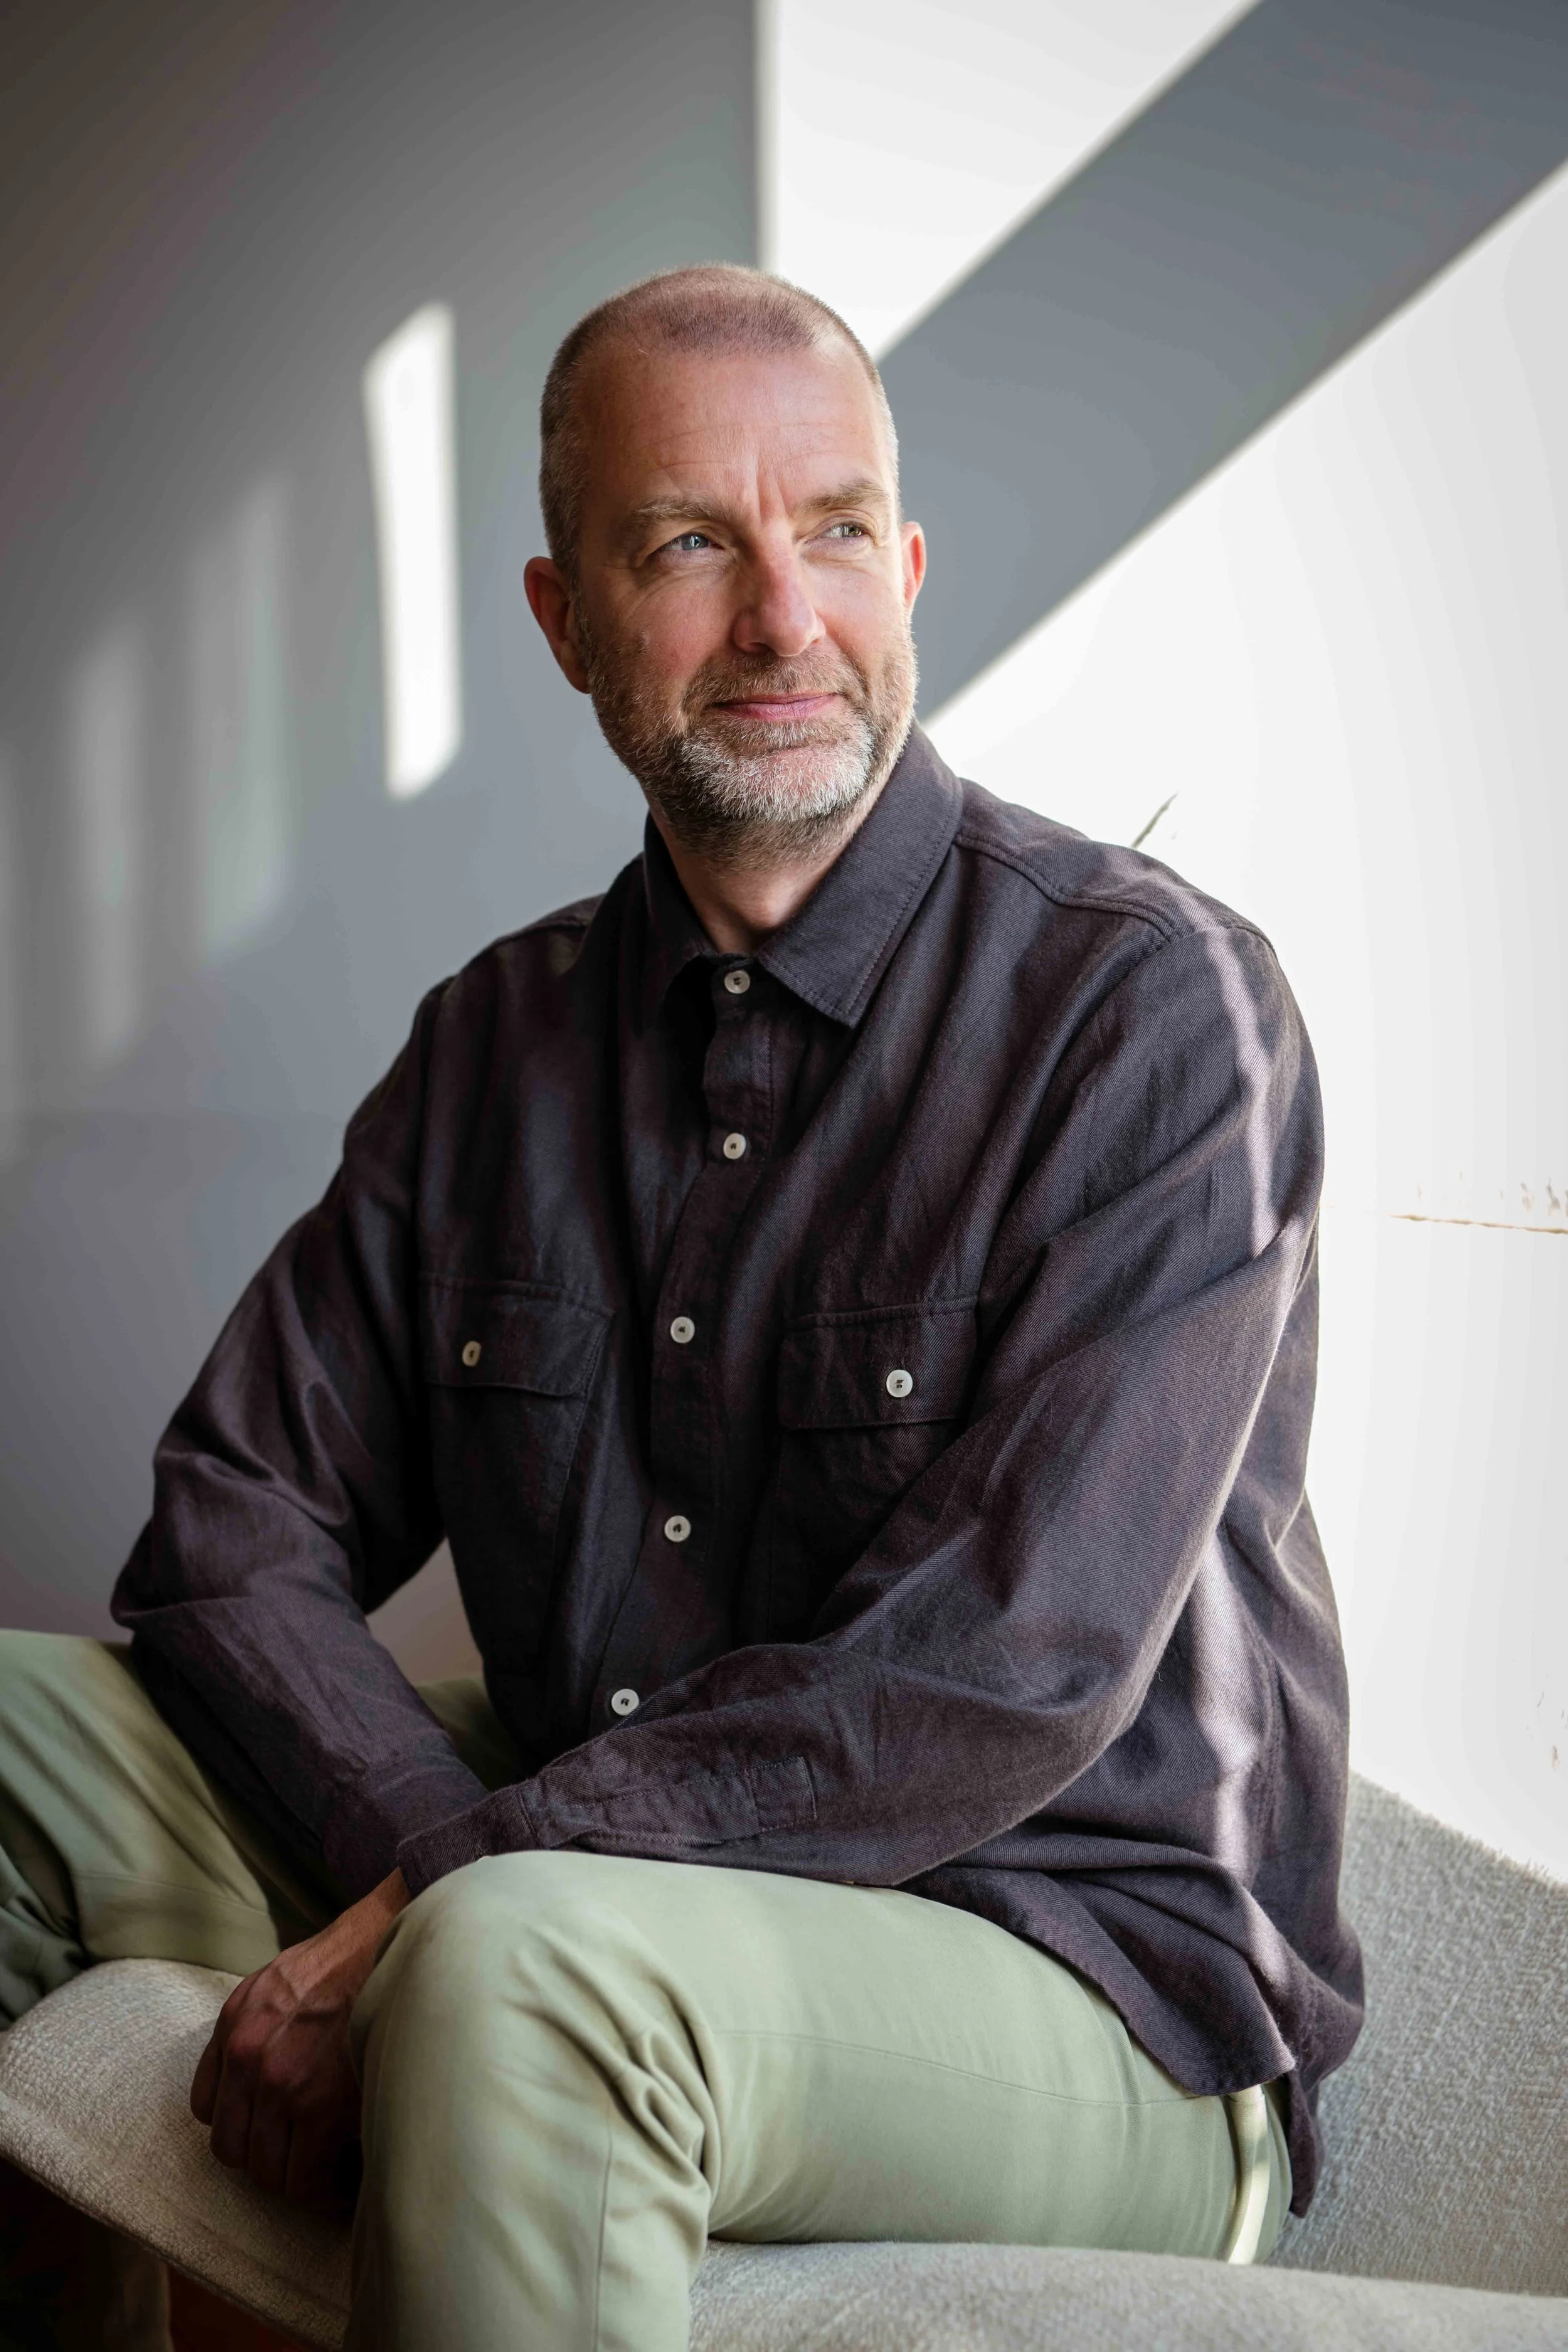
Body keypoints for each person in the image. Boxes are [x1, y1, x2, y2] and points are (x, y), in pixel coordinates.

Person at [0, 264, 1362, 2352]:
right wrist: (435, 1866)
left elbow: (1002, 1671)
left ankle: (441, 1986)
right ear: (562, 620)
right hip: (582, 1860)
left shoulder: (1149, 1008)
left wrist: (448, 1904)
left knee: (521, 1962)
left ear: (905, 568)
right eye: (687, 545)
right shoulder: (497, 1042)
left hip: (1069, 1959)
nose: (780, 620)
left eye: (829, 531)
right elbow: (229, 1522)